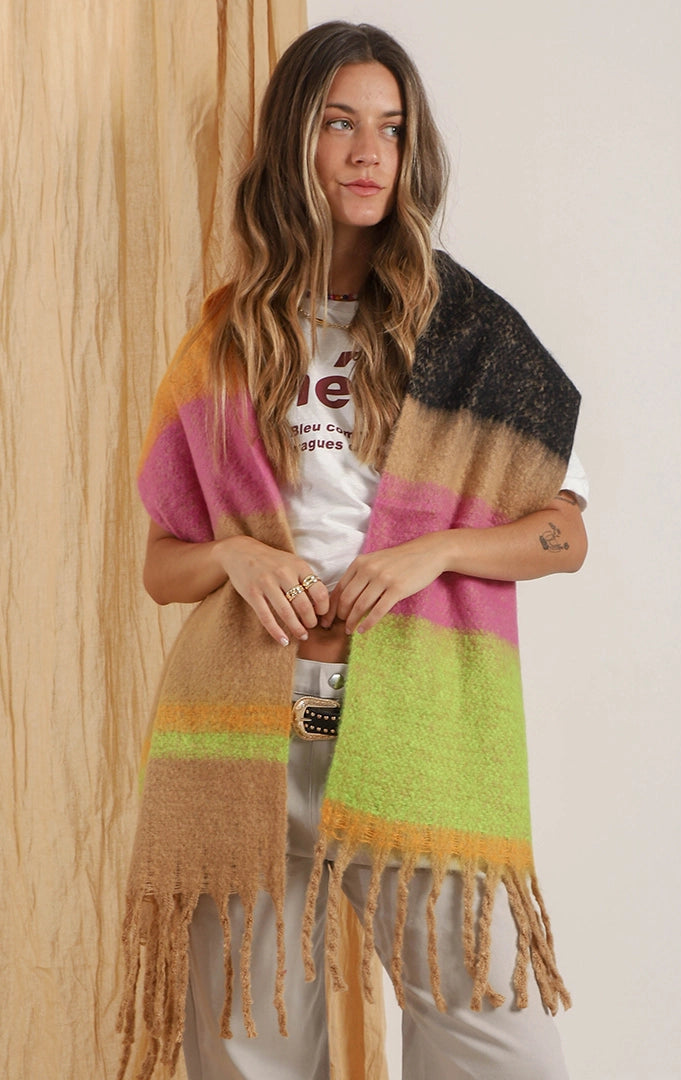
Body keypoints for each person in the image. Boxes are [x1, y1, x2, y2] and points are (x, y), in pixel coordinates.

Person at [118, 20, 588, 1080]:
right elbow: (161, 566)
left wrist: (437, 552)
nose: (371, 151)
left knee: (496, 1040)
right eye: (341, 124)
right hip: (244, 726)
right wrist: (235, 556)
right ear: (297, 140)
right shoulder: (228, 338)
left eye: (392, 126)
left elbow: (564, 536)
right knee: (248, 1047)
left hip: (411, 720)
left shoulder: (468, 333)